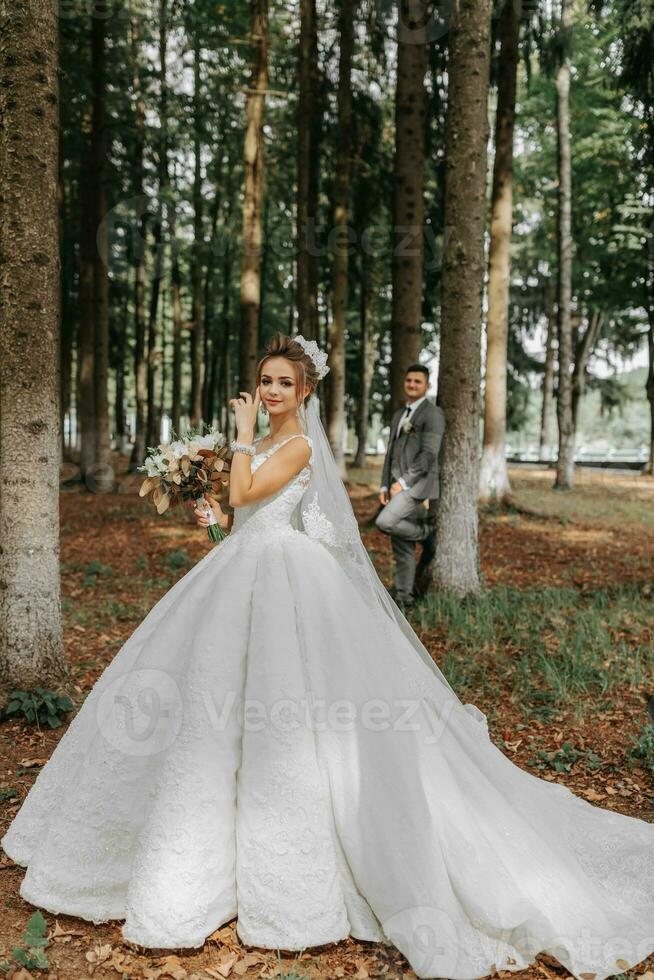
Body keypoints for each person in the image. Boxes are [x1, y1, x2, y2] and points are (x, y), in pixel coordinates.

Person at [3, 332, 654, 980]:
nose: (272, 391)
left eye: (284, 382)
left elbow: (245, 494)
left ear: (305, 390)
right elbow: (231, 516)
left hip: (288, 579)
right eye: (265, 381)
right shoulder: (260, 443)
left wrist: (233, 442)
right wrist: (203, 495)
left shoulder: (299, 445)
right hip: (237, 573)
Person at [375, 365, 444, 609]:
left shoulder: (432, 414)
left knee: (385, 523)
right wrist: (385, 484)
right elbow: (390, 454)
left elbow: (428, 455)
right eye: (409, 381)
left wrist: (403, 483)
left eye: (418, 381)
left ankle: (426, 535)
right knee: (401, 545)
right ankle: (405, 598)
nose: (412, 385)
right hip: (395, 485)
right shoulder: (399, 415)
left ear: (427, 385)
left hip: (418, 487)